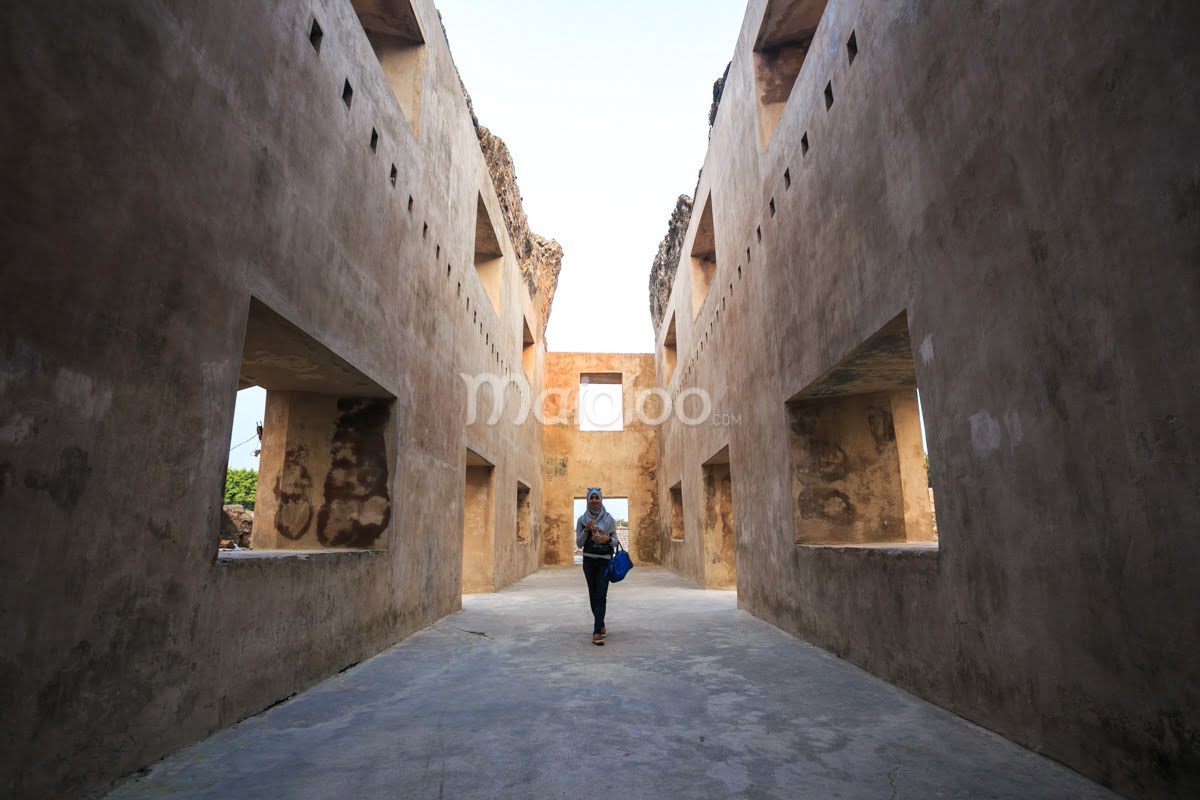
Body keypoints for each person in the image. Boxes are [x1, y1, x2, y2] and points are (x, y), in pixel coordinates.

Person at [576, 487, 617, 645]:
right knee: (593, 594)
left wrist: (607, 539)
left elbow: (615, 541)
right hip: (589, 561)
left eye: (597, 498)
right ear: (588, 500)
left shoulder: (609, 519)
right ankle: (601, 624)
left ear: (601, 500)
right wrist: (586, 530)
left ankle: (596, 632)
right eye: (591, 498)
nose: (594, 500)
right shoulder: (582, 519)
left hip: (604, 560)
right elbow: (579, 544)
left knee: (601, 594)